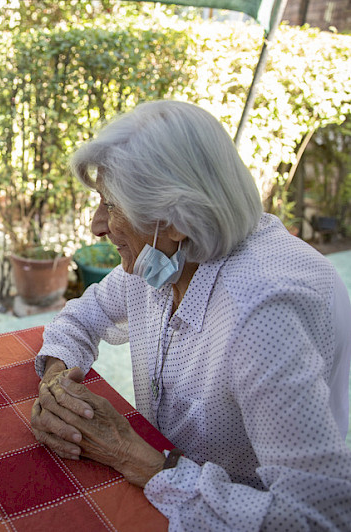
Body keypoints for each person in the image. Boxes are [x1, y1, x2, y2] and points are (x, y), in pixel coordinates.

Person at [30, 101, 351, 530]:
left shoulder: (260, 313)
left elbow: (318, 516)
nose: (97, 224)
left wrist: (129, 453)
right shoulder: (163, 259)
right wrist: (57, 385)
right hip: (171, 490)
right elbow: (80, 318)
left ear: (175, 219)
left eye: (111, 204)